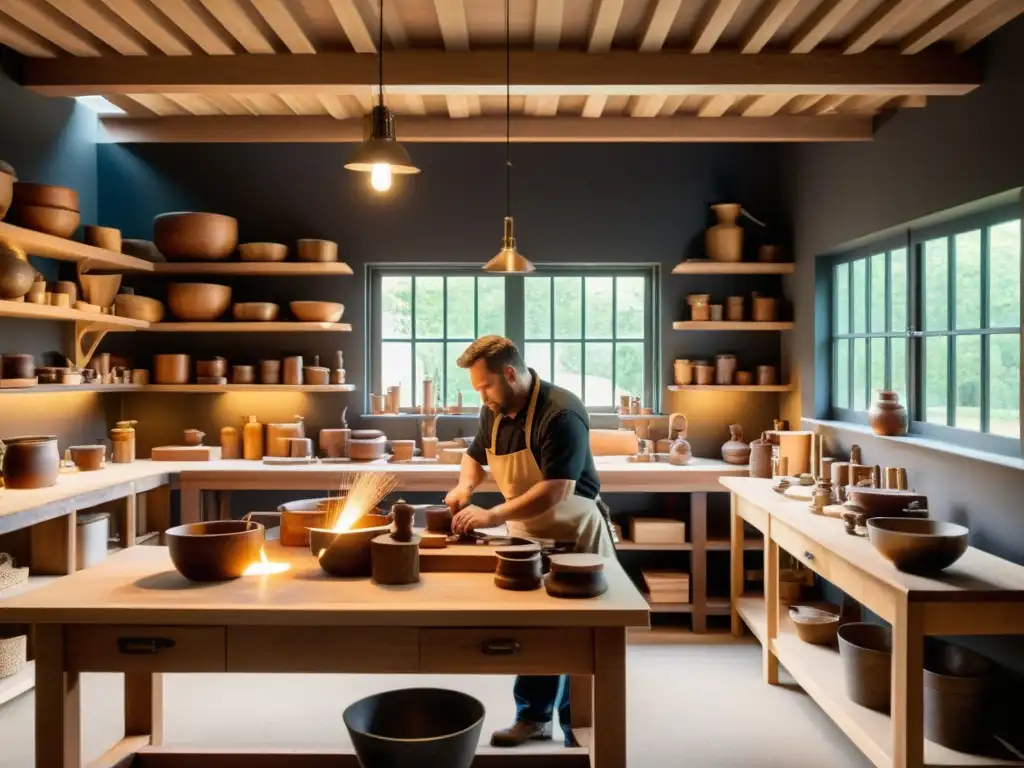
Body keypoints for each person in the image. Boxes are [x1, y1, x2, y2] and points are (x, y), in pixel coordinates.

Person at [444, 335, 615, 748]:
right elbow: (474, 456)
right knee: (533, 632)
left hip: (575, 536)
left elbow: (557, 489)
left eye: (485, 386)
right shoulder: (496, 409)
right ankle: (533, 718)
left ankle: (581, 725)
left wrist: (494, 514)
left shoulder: (561, 412)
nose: (482, 396)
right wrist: (465, 486)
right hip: (526, 534)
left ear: (509, 373)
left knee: (579, 636)